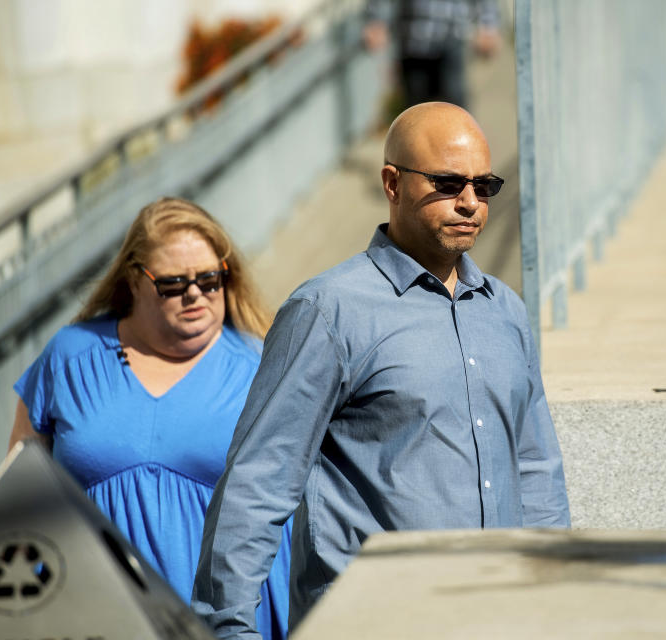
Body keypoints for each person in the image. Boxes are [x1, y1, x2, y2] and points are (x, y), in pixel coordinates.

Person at [192, 102, 570, 639]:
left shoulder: (505, 309)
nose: (470, 203)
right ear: (392, 183)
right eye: (447, 182)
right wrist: (228, 627)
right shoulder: (328, 311)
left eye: (484, 187)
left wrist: (556, 601)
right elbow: (259, 481)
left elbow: (535, 468)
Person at [8, 197, 293, 640]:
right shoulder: (69, 357)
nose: (195, 294)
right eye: (174, 284)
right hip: (94, 618)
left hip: (224, 623)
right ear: (134, 281)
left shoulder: (262, 368)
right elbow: (17, 494)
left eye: (210, 279)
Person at [363, 0, 501, 108]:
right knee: (415, 114)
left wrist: (488, 25)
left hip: (452, 37)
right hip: (412, 41)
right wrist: (376, 21)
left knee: (454, 110)